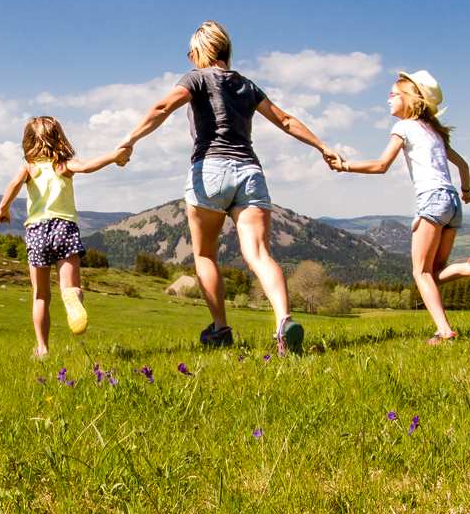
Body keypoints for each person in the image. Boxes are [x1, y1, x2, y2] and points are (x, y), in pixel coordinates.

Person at [117, 20, 337, 354]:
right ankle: (283, 323)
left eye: (192, 53)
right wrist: (323, 147)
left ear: (201, 51)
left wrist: (129, 140)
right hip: (250, 172)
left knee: (205, 254)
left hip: (211, 170)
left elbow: (163, 106)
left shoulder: (197, 78)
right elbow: (286, 120)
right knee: (260, 254)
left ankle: (220, 329)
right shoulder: (247, 85)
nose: (191, 60)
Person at [328, 70, 470, 343]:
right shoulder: (435, 132)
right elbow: (464, 165)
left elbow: (381, 165)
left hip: (432, 200)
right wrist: (466, 192)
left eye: (393, 94)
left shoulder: (404, 128)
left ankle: (444, 331)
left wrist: (345, 166)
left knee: (419, 272)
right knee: (432, 272)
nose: (388, 99)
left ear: (410, 99)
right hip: (453, 203)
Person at [0, 116, 128, 358]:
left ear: (28, 142)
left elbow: (13, 185)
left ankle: (42, 348)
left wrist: (3, 209)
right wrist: (114, 155)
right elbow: (88, 166)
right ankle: (72, 298)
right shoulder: (63, 165)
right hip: (64, 228)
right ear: (59, 138)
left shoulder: (29, 167)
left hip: (36, 232)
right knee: (70, 287)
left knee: (40, 296)